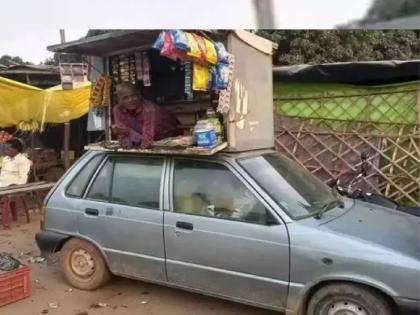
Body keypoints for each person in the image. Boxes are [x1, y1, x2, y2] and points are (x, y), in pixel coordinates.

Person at [112, 82, 178, 149]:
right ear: (118, 100)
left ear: (139, 95)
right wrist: (126, 140)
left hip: (167, 138)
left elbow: (147, 142)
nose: (131, 100)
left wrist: (127, 131)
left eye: (134, 96)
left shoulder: (149, 108)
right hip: (144, 139)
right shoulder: (118, 109)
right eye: (125, 98)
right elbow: (123, 136)